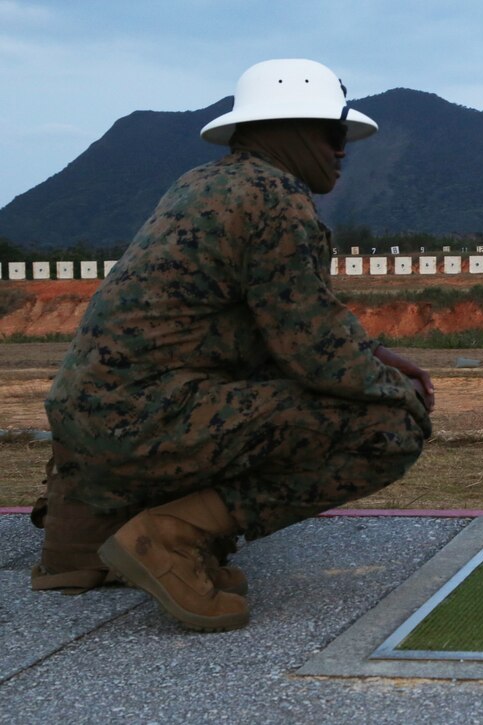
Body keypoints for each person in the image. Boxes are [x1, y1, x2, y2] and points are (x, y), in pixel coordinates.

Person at [30, 59, 434, 632]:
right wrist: (402, 390)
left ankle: (77, 548)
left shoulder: (205, 184)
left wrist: (371, 352)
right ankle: (171, 539)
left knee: (251, 392)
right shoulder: (277, 199)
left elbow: (272, 320)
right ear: (287, 129)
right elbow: (315, 351)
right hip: (145, 419)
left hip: (90, 418)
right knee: (391, 427)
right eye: (332, 132)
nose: (342, 148)